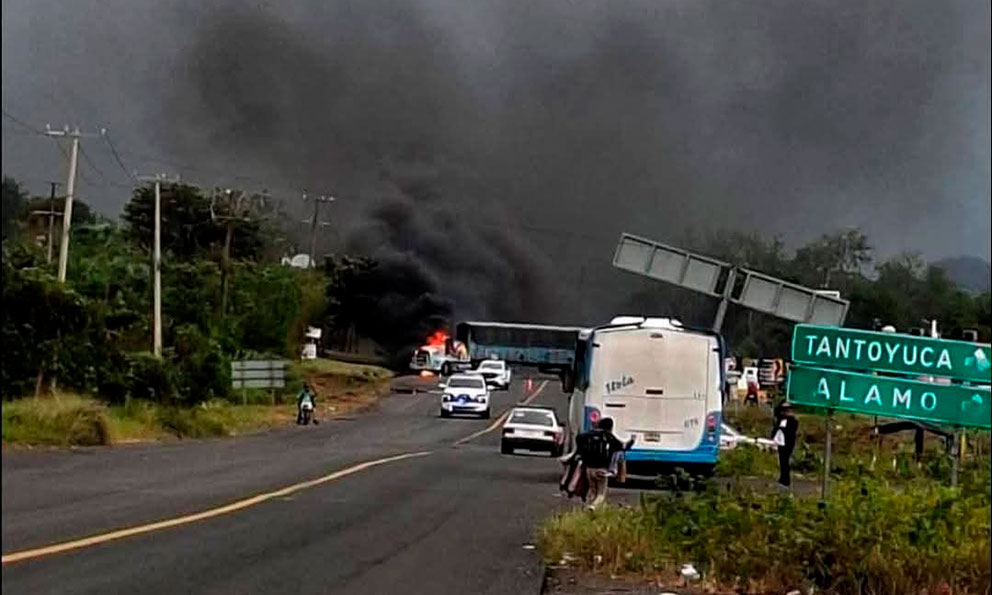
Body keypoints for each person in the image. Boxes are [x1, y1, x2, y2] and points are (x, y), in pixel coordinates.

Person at [575, 417, 635, 509]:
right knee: (601, 494)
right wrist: (632, 441)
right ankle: (593, 507)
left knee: (593, 490)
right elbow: (623, 446)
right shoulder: (607, 436)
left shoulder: (587, 435)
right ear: (610, 427)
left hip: (589, 469)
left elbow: (578, 439)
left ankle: (588, 506)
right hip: (601, 469)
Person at [772, 402, 799, 487]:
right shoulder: (780, 419)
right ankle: (782, 478)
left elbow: (791, 432)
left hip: (788, 443)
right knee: (782, 461)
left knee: (785, 461)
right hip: (781, 442)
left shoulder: (792, 421)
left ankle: (786, 480)